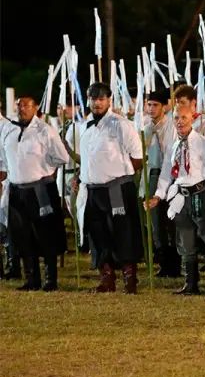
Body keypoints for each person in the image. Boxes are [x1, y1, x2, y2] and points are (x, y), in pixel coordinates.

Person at [145, 106, 205, 297]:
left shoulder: (201, 143)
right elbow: (167, 170)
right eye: (176, 118)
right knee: (185, 241)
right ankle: (191, 283)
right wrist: (158, 195)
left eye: (183, 117)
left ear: (192, 118)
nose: (180, 122)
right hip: (181, 197)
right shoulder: (175, 144)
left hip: (202, 195)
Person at [72, 83, 145, 293]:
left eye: (101, 98)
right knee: (97, 234)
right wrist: (80, 176)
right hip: (93, 190)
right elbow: (87, 158)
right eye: (93, 98)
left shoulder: (120, 124)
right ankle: (106, 279)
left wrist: (120, 177)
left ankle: (130, 279)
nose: (97, 102)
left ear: (109, 100)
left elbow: (137, 158)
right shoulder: (85, 127)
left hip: (116, 189)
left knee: (123, 233)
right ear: (88, 100)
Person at [0, 96, 69, 291]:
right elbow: (3, 156)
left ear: (35, 108)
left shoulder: (45, 130)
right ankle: (31, 278)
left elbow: (61, 157)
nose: (22, 109)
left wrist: (44, 169)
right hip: (16, 189)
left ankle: (50, 279)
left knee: (46, 233)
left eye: (26, 106)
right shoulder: (9, 129)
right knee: (22, 235)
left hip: (40, 189)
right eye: (19, 106)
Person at [142, 89, 179, 278]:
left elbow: (170, 154)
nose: (151, 108)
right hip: (151, 174)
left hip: (167, 175)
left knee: (169, 222)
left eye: (155, 105)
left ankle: (175, 263)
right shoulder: (146, 127)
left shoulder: (170, 127)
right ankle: (163, 261)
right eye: (149, 105)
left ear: (164, 107)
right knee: (155, 222)